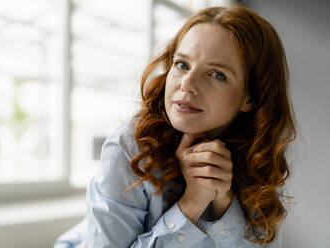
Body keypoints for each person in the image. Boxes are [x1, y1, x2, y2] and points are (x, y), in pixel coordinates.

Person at [54, 5, 296, 248]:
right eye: (182, 65)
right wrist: (191, 205)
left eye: (216, 74)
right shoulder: (128, 146)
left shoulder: (260, 155)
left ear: (250, 97)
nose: (187, 84)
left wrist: (222, 202)